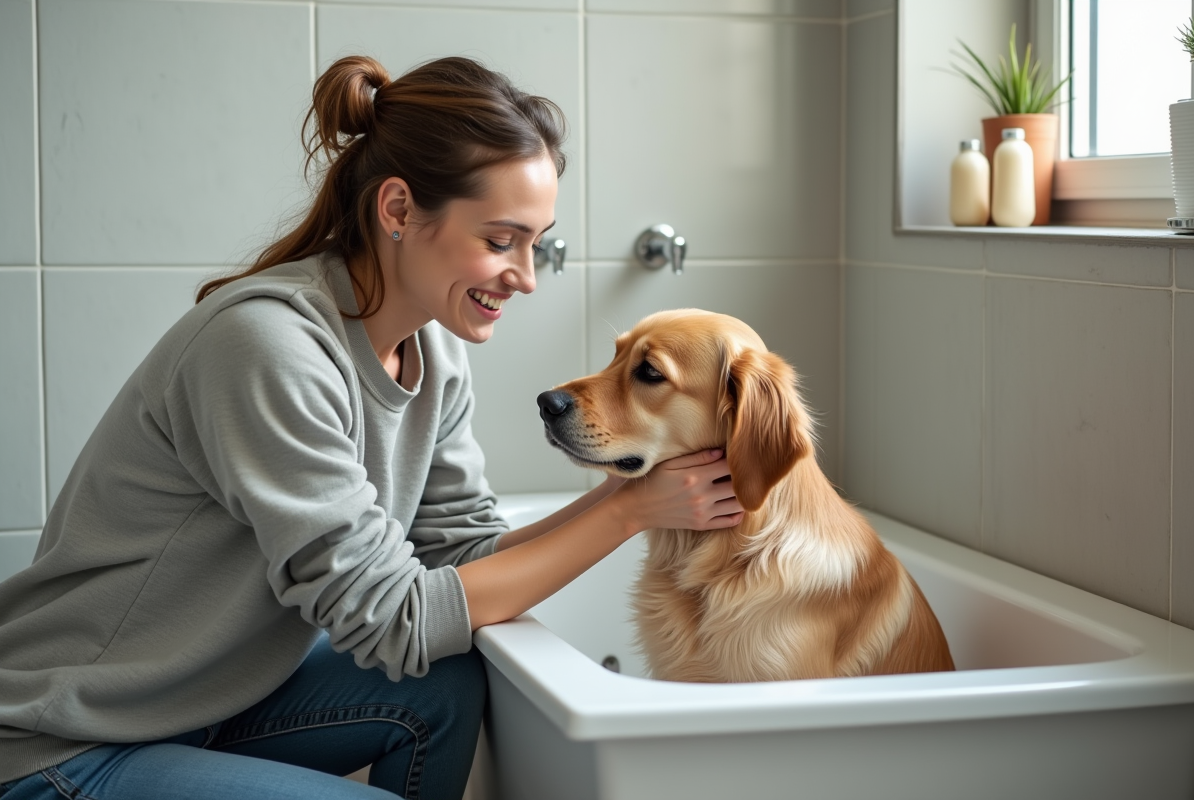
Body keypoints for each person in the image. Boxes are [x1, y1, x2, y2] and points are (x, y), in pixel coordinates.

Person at [0, 55, 743, 800]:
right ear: (397, 211)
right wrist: (627, 512)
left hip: (200, 706)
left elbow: (459, 555)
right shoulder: (268, 348)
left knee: (446, 681)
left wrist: (642, 487)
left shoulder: (433, 349)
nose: (525, 276)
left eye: (535, 241)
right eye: (499, 240)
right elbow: (396, 620)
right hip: (64, 739)